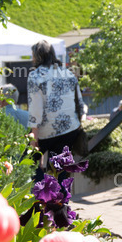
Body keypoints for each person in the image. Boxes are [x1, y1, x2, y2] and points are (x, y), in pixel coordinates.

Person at [27, 40, 84, 181]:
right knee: (58, 169)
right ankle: (59, 200)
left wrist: (34, 137)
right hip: (70, 128)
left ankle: (40, 196)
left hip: (48, 130)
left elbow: (36, 108)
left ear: (37, 56)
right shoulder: (68, 73)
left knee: (27, 162)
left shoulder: (35, 76)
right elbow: (80, 104)